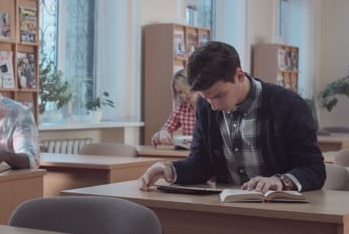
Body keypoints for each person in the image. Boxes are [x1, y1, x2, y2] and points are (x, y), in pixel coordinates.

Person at [139, 41, 326, 193]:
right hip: (228, 207)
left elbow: (314, 170)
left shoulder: (288, 105)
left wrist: (280, 181)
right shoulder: (206, 106)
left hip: (279, 210)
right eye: (206, 97)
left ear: (239, 75)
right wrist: (170, 170)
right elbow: (202, 164)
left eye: (220, 95)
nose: (214, 105)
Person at [151, 69, 197, 147]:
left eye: (188, 88)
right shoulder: (181, 110)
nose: (186, 94)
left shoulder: (213, 106)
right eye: (180, 92)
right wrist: (162, 134)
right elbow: (162, 132)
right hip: (191, 154)